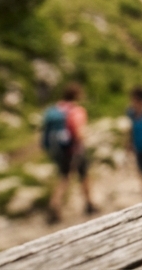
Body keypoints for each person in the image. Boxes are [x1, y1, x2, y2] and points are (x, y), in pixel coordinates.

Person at [43, 83, 97, 223]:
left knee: (63, 177)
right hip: (75, 149)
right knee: (83, 175)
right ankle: (89, 203)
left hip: (61, 150)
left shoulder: (55, 109)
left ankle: (54, 205)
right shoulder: (76, 111)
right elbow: (79, 133)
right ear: (77, 95)